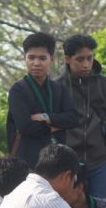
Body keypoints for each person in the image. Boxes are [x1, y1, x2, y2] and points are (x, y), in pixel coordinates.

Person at [55, 34, 106, 208]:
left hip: (101, 161)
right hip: (66, 166)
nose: (86, 64)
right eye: (80, 59)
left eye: (89, 58)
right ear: (68, 59)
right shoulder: (56, 88)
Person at [7, 32, 79, 169]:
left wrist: (45, 117)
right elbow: (25, 127)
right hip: (27, 163)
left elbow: (74, 118)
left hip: (57, 161)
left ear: (51, 59)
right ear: (24, 58)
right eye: (31, 58)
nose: (36, 63)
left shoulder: (59, 89)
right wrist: (57, 124)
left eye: (42, 58)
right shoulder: (18, 90)